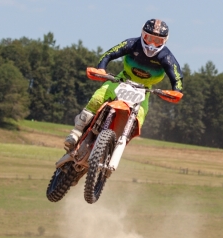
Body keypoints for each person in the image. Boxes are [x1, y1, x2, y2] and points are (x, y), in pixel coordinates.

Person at [64, 19, 184, 150]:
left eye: (157, 41)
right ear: (142, 34)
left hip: (144, 90)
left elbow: (176, 75)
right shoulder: (132, 43)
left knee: (140, 116)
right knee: (99, 97)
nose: (152, 44)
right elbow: (109, 54)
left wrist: (176, 90)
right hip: (122, 80)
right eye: (148, 38)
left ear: (164, 41)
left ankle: (119, 144)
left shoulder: (166, 56)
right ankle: (76, 132)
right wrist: (101, 69)